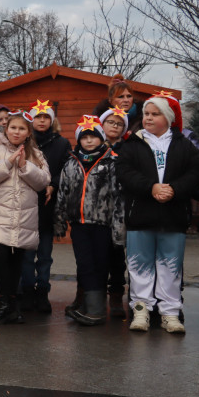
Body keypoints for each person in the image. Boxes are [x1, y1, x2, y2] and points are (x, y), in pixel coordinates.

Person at [117, 95, 199, 333]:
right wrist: (151, 187)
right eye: (146, 113)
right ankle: (141, 311)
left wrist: (174, 189)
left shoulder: (184, 145)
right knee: (139, 267)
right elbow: (124, 172)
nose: (148, 118)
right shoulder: (133, 144)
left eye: (155, 114)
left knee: (170, 267)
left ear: (168, 117)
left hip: (174, 217)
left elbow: (196, 172)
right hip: (141, 216)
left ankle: (170, 313)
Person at [0, 110, 51, 326]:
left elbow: (43, 181)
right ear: (6, 129)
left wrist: (24, 166)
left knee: (16, 262)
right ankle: (1, 304)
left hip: (23, 216)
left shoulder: (35, 154)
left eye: (21, 128)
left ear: (28, 132)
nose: (16, 132)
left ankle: (12, 307)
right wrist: (8, 162)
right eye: (13, 128)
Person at [53, 116, 125, 326]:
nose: (89, 141)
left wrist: (119, 228)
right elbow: (63, 193)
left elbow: (119, 197)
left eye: (93, 137)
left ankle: (96, 310)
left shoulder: (111, 162)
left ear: (101, 138)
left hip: (103, 224)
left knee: (100, 265)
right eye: (84, 137)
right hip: (79, 224)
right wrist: (60, 220)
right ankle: (88, 306)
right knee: (84, 264)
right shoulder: (71, 163)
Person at [21, 99, 70, 314]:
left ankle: (42, 292)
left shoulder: (61, 143)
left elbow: (66, 169)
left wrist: (53, 184)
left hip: (48, 207)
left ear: (52, 120)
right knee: (26, 256)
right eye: (38, 117)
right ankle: (27, 291)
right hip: (25, 207)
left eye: (46, 117)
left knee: (44, 255)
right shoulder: (24, 142)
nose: (41, 120)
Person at [100, 106, 131, 316]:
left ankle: (117, 295)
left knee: (117, 256)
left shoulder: (127, 149)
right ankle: (91, 295)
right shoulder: (92, 145)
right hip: (97, 210)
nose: (115, 126)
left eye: (119, 124)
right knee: (96, 255)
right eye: (111, 122)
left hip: (119, 210)